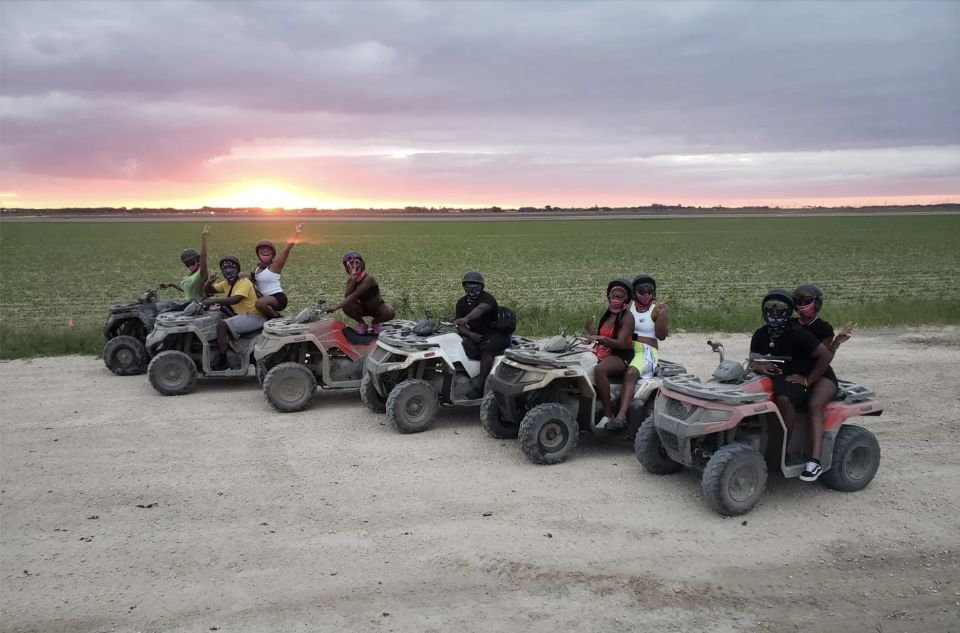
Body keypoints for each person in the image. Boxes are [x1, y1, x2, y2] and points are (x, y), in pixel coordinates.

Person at [749, 288, 834, 482]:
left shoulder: (797, 332)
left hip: (802, 377)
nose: (775, 313)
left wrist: (808, 380)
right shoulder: (760, 334)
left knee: (784, 398)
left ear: (789, 311)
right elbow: (752, 360)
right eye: (770, 308)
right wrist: (760, 367)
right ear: (763, 310)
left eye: (780, 309)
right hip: (781, 376)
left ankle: (783, 447)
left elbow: (826, 356)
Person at [792, 283, 857, 478]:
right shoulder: (791, 324)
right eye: (799, 301)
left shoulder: (823, 327)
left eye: (807, 301)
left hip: (820, 375)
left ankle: (814, 461)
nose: (803, 305)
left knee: (814, 405)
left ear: (817, 304)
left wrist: (836, 342)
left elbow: (824, 358)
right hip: (795, 373)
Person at [602, 273, 669, 431]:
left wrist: (659, 316)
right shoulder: (628, 307)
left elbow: (661, 336)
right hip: (625, 348)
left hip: (646, 351)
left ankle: (621, 416)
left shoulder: (655, 310)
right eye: (641, 291)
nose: (646, 295)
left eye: (649, 291)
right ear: (634, 293)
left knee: (631, 373)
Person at [585, 279, 636, 429]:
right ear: (608, 296)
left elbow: (623, 343)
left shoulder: (627, 317)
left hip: (621, 355)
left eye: (619, 297)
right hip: (605, 351)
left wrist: (603, 339)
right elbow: (600, 337)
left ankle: (608, 414)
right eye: (613, 296)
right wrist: (590, 332)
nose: (615, 300)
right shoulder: (608, 315)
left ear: (625, 299)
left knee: (599, 370)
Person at [202, 255, 266, 370]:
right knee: (216, 316)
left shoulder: (244, 282)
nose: (228, 270)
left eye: (231, 267)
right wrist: (209, 282)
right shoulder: (226, 284)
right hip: (241, 315)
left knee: (222, 325)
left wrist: (215, 300)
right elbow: (209, 290)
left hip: (253, 316)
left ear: (237, 269)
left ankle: (223, 361)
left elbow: (236, 298)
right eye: (225, 268)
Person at [452, 271, 508, 399]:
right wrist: (469, 334)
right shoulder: (461, 303)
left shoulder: (487, 298)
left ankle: (480, 386)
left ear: (481, 287)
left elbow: (480, 310)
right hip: (475, 334)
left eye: (476, 286)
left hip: (495, 333)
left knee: (487, 350)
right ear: (464, 287)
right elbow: (458, 325)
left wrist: (466, 319)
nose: (472, 288)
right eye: (469, 285)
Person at [323, 252, 396, 334]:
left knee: (390, 311)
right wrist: (353, 279)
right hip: (362, 308)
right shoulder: (351, 280)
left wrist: (334, 308)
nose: (354, 266)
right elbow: (347, 296)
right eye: (351, 264)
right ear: (347, 267)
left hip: (377, 307)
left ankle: (375, 323)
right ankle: (361, 323)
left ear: (362, 263)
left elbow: (354, 295)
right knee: (347, 305)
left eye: (356, 263)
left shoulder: (369, 279)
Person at [250, 223, 303, 319]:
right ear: (258, 254)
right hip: (264, 298)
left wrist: (297, 232)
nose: (265, 252)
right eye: (262, 251)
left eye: (268, 251)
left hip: (278, 298)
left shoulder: (275, 266)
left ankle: (277, 318)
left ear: (272, 253)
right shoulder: (256, 269)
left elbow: (287, 249)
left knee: (259, 303)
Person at [163, 225, 210, 309]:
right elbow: (185, 289)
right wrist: (171, 284)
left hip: (199, 307)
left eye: (192, 263)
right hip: (189, 307)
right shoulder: (187, 277)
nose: (190, 266)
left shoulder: (201, 274)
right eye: (187, 264)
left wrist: (203, 239)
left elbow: (203, 257)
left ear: (198, 261)